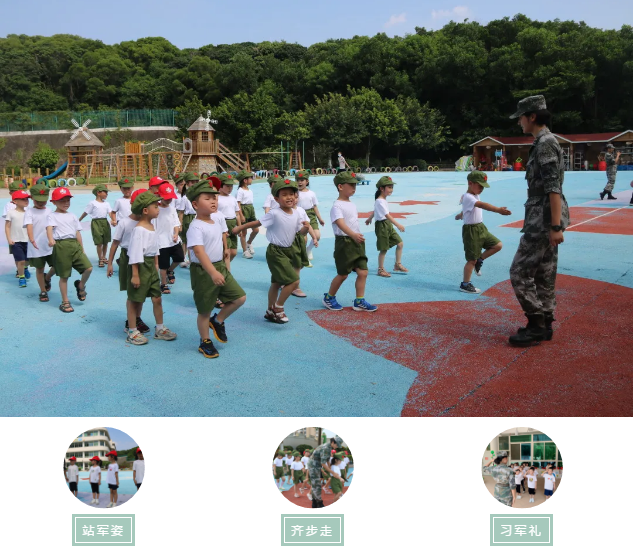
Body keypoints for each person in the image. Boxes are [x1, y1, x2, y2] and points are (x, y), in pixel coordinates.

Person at [508, 95, 569, 345]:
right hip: (545, 216)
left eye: (521, 117)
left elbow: (553, 188)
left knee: (519, 271)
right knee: (544, 272)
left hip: (542, 218)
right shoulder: (545, 141)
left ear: (532, 117)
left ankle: (535, 325)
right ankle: (545, 324)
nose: (519, 122)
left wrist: (555, 226)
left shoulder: (544, 143)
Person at [232, 177, 310, 324]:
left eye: (292, 194)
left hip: (288, 251)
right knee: (294, 281)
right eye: (284, 195)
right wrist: (240, 228)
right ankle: (278, 308)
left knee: (276, 282)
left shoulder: (296, 213)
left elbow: (300, 233)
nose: (289, 197)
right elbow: (257, 223)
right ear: (276, 199)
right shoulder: (275, 213)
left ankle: (269, 310)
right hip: (276, 252)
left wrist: (306, 228)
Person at [185, 179, 246, 359]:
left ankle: (217, 321)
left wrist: (225, 251)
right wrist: (212, 272)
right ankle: (205, 341)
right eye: (208, 198)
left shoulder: (216, 220)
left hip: (219, 266)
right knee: (204, 310)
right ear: (195, 205)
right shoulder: (195, 226)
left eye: (214, 198)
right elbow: (199, 252)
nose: (213, 201)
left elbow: (220, 237)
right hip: (203, 271)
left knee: (239, 298)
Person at [125, 191, 177, 345]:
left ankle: (160, 328)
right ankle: (132, 331)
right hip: (140, 266)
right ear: (145, 210)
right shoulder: (139, 230)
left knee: (157, 298)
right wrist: (135, 274)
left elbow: (155, 248)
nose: (158, 208)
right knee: (135, 300)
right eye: (155, 206)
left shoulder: (152, 226)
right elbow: (135, 253)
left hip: (151, 267)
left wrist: (156, 264)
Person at [323, 171, 377, 312]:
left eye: (355, 185)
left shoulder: (351, 204)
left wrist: (355, 236)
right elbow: (340, 223)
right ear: (340, 187)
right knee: (343, 274)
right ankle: (329, 297)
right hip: (344, 242)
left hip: (356, 241)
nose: (354, 188)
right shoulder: (337, 206)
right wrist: (353, 235)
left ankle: (359, 300)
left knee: (363, 271)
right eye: (351, 185)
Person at [454, 171, 511, 293]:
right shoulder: (468, 196)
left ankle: (480, 260)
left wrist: (460, 215)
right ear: (470, 183)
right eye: (480, 186)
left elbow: (467, 209)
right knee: (471, 260)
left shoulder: (475, 194)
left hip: (481, 228)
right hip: (471, 231)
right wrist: (498, 210)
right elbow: (482, 205)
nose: (482, 189)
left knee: (497, 245)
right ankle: (465, 284)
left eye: (483, 187)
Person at [107, 188, 150, 334]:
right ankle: (130, 321)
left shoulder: (148, 222)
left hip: (143, 258)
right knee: (133, 292)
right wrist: (109, 264)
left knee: (141, 292)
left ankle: (137, 318)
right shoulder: (125, 223)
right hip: (128, 257)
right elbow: (115, 243)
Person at [46, 187, 93, 313]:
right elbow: (49, 228)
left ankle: (80, 285)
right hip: (61, 245)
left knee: (88, 268)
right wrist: (50, 239)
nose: (66, 203)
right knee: (64, 276)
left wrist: (82, 248)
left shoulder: (72, 215)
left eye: (68, 200)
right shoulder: (52, 216)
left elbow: (77, 232)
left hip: (74, 245)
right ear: (54, 202)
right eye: (62, 200)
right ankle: (65, 301)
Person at [365, 176, 408, 277]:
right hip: (382, 226)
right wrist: (398, 225)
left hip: (387, 224)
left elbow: (375, 210)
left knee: (400, 243)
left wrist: (369, 218)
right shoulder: (380, 201)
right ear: (381, 188)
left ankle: (397, 264)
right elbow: (387, 215)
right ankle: (380, 269)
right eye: (389, 187)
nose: (391, 189)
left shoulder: (382, 200)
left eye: (392, 187)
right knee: (383, 249)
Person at [24, 184, 56, 301]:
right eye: (38, 200)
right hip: (36, 246)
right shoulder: (29, 212)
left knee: (57, 265)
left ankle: (47, 278)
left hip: (50, 244)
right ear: (32, 197)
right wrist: (32, 239)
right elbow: (29, 226)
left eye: (43, 200)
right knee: (40, 268)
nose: (41, 203)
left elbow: (53, 226)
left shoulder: (49, 211)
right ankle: (43, 290)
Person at [153, 182, 183, 294]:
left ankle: (170, 271)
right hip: (161, 242)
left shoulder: (172, 208)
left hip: (173, 240)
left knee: (180, 258)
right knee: (163, 265)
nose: (169, 200)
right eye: (166, 198)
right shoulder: (156, 209)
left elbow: (176, 223)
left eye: (170, 198)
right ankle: (163, 284)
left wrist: (176, 233)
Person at [79, 184, 113, 268]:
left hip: (105, 222)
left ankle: (104, 256)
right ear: (98, 193)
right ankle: (100, 258)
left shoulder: (107, 204)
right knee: (99, 242)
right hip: (96, 223)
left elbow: (110, 213)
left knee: (105, 241)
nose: (107, 194)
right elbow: (86, 212)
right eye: (105, 192)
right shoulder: (92, 203)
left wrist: (114, 219)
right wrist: (79, 220)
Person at [296, 170, 325, 265]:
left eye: (302, 180)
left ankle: (309, 249)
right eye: (298, 180)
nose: (300, 182)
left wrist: (320, 218)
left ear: (307, 181)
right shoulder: (295, 193)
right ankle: (302, 254)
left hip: (310, 214)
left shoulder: (311, 193)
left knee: (317, 236)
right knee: (303, 238)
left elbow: (315, 207)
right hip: (299, 215)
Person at [308, 436, 343, 508]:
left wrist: (330, 468)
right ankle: (319, 503)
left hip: (316, 465)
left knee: (316, 484)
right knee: (317, 485)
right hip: (313, 465)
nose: (337, 447)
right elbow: (323, 463)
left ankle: (314, 502)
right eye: (337, 445)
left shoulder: (329, 447)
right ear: (332, 442)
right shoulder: (326, 448)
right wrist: (333, 472)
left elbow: (327, 459)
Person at [4, 189, 30, 288]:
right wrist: (9, 238)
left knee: (27, 260)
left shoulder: (29, 212)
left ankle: (25, 268)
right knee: (20, 260)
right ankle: (21, 277)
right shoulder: (11, 213)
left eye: (27, 199)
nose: (26, 201)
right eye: (23, 199)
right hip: (16, 241)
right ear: (15, 201)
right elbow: (7, 227)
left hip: (27, 240)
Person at [176, 172, 199, 268]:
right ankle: (184, 259)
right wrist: (180, 224)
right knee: (186, 241)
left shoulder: (198, 195)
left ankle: (194, 259)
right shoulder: (185, 197)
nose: (194, 184)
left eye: (196, 182)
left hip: (197, 217)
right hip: (188, 219)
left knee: (196, 240)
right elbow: (181, 212)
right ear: (187, 183)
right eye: (192, 182)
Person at [217, 174, 242, 261]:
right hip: (223, 225)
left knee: (234, 252)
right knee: (226, 251)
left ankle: (223, 266)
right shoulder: (217, 199)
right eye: (227, 186)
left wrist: (239, 227)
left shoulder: (233, 198)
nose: (230, 188)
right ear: (220, 186)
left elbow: (237, 214)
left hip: (233, 225)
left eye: (231, 186)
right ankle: (224, 267)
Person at [235, 170, 258, 258]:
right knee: (243, 232)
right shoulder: (240, 191)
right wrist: (241, 215)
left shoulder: (249, 190)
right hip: (244, 210)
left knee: (256, 230)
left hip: (250, 209)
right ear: (245, 180)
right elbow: (238, 204)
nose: (252, 179)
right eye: (250, 178)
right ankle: (245, 251)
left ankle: (249, 243)